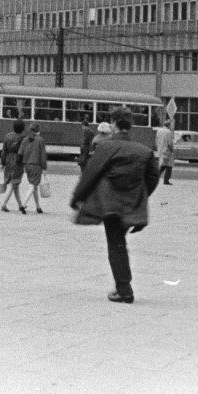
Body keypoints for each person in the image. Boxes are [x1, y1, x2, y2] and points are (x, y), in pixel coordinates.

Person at [70, 107, 160, 304]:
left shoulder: (106, 147)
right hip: (132, 206)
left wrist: (76, 198)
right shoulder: (144, 151)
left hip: (111, 205)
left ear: (115, 124)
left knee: (116, 246)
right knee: (120, 243)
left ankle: (124, 290)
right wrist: (141, 195)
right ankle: (123, 286)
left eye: (111, 123)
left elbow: (90, 174)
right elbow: (153, 177)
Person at [0, 120, 28, 214]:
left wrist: (2, 162)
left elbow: (4, 150)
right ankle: (4, 204)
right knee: (14, 183)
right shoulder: (23, 138)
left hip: (8, 159)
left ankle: (20, 205)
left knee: (14, 185)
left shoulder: (7, 136)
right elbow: (23, 151)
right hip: (17, 161)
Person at [22, 122, 49, 213]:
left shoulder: (25, 139)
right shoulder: (40, 140)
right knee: (33, 186)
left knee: (34, 186)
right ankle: (24, 203)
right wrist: (44, 168)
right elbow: (43, 155)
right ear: (38, 131)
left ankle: (38, 207)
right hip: (36, 165)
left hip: (27, 165)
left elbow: (21, 152)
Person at [155, 119, 175, 185]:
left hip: (160, 149)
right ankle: (166, 180)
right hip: (167, 150)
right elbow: (170, 143)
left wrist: (158, 148)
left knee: (162, 164)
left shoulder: (159, 131)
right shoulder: (168, 132)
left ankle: (155, 177)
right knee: (169, 165)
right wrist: (172, 149)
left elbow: (156, 140)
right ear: (169, 125)